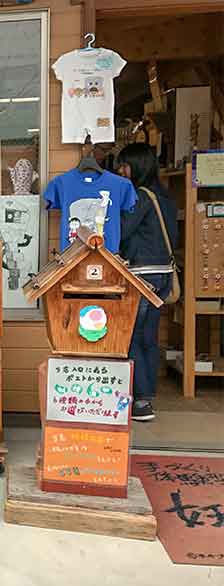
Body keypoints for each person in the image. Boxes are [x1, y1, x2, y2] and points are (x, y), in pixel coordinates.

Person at [117, 143, 179, 421]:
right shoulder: (164, 198)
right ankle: (147, 395)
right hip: (163, 274)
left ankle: (139, 401)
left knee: (132, 337)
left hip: (142, 275)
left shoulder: (140, 197)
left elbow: (122, 231)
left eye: (124, 165)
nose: (120, 171)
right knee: (148, 338)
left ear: (137, 166)